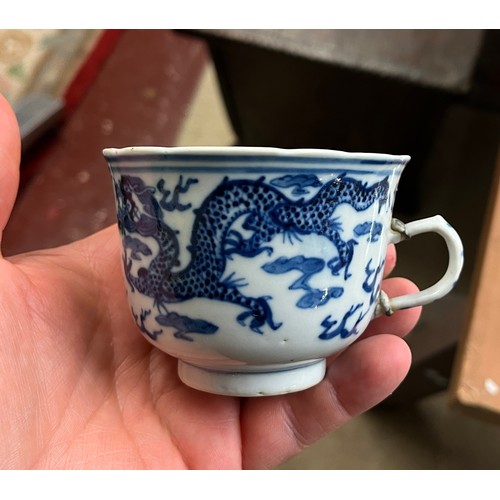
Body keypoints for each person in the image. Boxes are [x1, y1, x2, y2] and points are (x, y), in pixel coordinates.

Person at [0, 93, 420, 469]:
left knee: (296, 227)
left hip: (247, 210)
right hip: (236, 222)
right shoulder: (188, 280)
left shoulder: (185, 281)